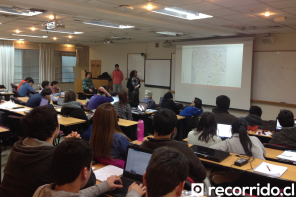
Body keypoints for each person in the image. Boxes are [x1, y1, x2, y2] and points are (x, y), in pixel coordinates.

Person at [0, 106, 96, 197]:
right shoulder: (52, 157)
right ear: (55, 128)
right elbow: (88, 180)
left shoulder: (18, 147)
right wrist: (77, 149)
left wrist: (64, 146)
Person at [33, 138, 145, 197]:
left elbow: (80, 194)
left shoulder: (41, 190)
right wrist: (133, 193)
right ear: (84, 172)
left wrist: (105, 185)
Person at [140, 109, 206, 183]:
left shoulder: (144, 145)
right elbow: (202, 174)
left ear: (153, 124)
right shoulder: (183, 148)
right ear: (174, 130)